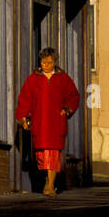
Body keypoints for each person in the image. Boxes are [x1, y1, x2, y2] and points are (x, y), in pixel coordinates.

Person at [15, 47, 80, 196]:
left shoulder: (63, 78)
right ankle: (47, 182)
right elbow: (24, 99)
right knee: (42, 155)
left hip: (56, 122)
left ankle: (50, 185)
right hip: (40, 123)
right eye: (44, 63)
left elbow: (74, 96)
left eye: (49, 63)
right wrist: (23, 117)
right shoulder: (33, 79)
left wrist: (67, 109)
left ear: (54, 62)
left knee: (54, 154)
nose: (46, 66)